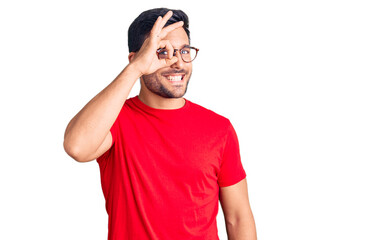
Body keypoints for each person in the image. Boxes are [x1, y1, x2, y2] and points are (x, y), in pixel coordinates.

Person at [63, 8, 257, 240]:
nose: (177, 62)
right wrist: (135, 70)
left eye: (184, 51)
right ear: (137, 58)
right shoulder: (114, 120)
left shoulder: (220, 128)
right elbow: (77, 147)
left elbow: (238, 217)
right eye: (162, 52)